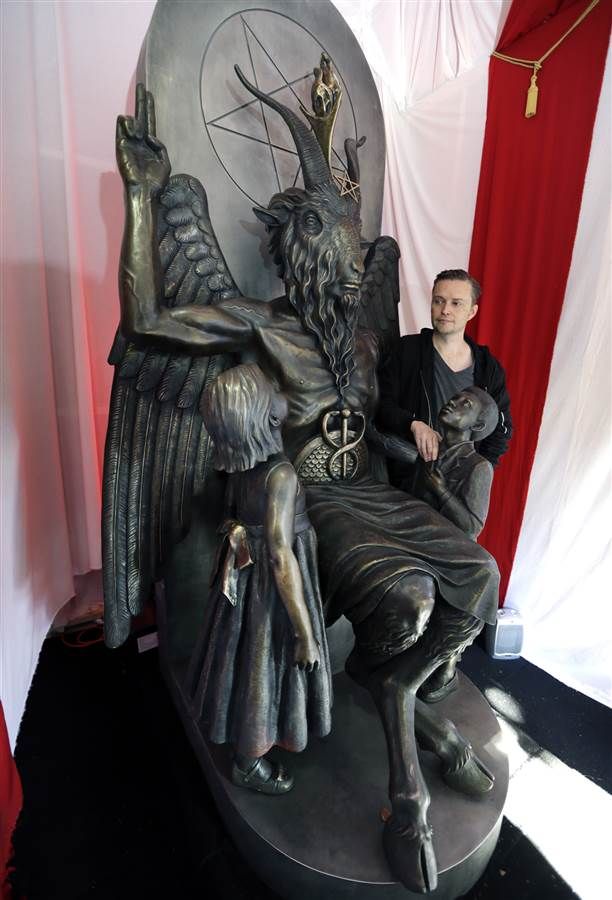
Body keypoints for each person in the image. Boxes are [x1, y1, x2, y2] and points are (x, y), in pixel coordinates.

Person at [114, 82, 499, 893]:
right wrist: (144, 199)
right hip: (312, 502)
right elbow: (148, 322)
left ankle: (395, 685)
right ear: (299, 245)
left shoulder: (361, 340)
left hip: (372, 487)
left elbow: (391, 419)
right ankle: (405, 798)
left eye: (348, 230)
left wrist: (432, 442)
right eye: (330, 231)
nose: (351, 247)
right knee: (405, 599)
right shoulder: (261, 323)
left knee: (478, 576)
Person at [187, 364, 332, 794]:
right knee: (264, 662)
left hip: (244, 578)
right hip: (273, 586)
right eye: (271, 387)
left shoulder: (243, 465)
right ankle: (249, 761)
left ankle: (242, 737)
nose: (279, 388)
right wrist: (305, 632)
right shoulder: (280, 474)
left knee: (242, 657)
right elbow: (280, 553)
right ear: (262, 414)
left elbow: (233, 516)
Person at [377, 269, 512, 490]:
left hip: (456, 487)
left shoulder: (489, 368)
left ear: (472, 311)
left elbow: (501, 429)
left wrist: (473, 475)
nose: (445, 310)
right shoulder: (406, 351)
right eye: (439, 301)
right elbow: (380, 405)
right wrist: (412, 424)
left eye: (456, 303)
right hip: (405, 480)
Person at [412, 386, 499, 702]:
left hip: (452, 548)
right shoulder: (430, 449)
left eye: (466, 404)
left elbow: (471, 526)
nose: (453, 402)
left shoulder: (478, 467)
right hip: (421, 533)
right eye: (456, 397)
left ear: (476, 426)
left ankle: (446, 662)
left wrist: (441, 491)